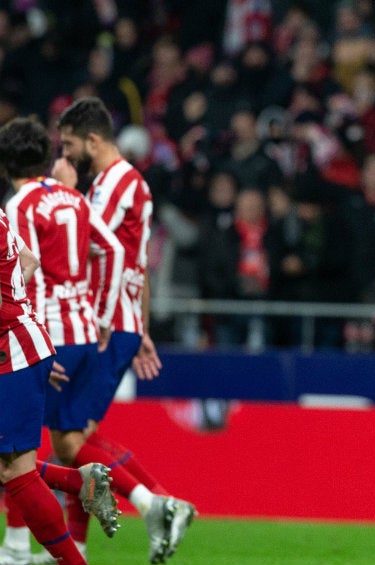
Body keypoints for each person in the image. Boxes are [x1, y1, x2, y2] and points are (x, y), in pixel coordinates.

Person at [55, 97, 195, 564]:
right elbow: (138, 262)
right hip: (118, 319)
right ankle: (79, 547)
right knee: (71, 440)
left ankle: (156, 504)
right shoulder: (122, 184)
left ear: (93, 140)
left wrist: (107, 319)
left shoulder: (114, 185)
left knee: (73, 441)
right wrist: (142, 323)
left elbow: (105, 251)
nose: (67, 153)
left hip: (103, 323)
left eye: (71, 143)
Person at [0, 117, 124, 565]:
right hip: (27, 341)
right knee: (13, 468)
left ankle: (49, 551)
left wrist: (19, 329)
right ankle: (80, 482)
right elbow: (28, 261)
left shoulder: (20, 204)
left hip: (12, 352)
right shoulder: (9, 208)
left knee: (15, 472)